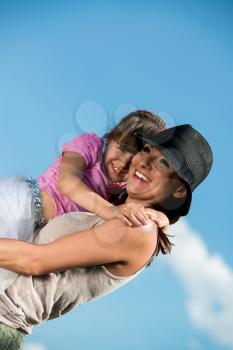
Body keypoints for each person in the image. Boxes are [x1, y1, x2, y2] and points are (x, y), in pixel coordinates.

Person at [0, 124, 213, 349]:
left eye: (164, 162)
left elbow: (35, 261)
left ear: (178, 191)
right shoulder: (113, 212)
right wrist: (162, 216)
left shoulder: (138, 229)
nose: (144, 162)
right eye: (148, 150)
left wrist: (159, 217)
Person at [0, 110, 169, 293]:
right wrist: (108, 210)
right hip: (22, 206)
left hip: (36, 233)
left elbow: (135, 213)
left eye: (134, 159)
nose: (123, 163)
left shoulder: (121, 189)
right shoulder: (91, 145)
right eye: (121, 148)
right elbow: (68, 181)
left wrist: (162, 218)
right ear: (111, 138)